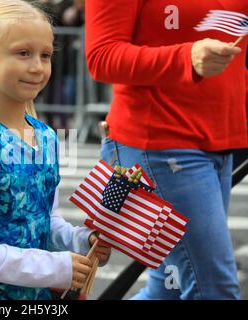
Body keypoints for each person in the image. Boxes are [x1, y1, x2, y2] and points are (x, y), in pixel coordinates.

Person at [0, 0, 111, 300]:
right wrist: (53, 268)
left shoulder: (46, 137)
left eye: (45, 55)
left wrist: (79, 241)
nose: (37, 67)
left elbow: (45, 218)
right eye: (23, 53)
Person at [85, 0, 247, 300]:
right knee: (213, 289)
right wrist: (186, 56)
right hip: (158, 144)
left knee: (168, 291)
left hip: (221, 140)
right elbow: (101, 57)